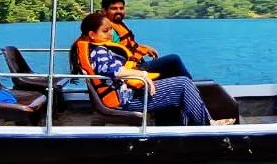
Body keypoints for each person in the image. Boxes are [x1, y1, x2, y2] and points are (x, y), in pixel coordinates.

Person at [69, 13, 235, 126]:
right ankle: (208, 125)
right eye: (105, 31)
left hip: (127, 93)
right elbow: (115, 71)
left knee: (180, 83)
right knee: (183, 83)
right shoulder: (98, 52)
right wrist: (143, 74)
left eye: (111, 29)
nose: (110, 34)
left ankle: (190, 127)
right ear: (92, 34)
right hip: (126, 100)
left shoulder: (95, 48)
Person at [100, 0, 192, 79]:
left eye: (121, 8)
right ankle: (194, 91)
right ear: (104, 11)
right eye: (114, 8)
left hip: (135, 64)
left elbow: (127, 47)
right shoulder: (106, 30)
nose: (119, 11)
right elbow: (116, 52)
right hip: (131, 69)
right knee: (173, 60)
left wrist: (144, 48)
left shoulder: (118, 25)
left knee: (173, 71)